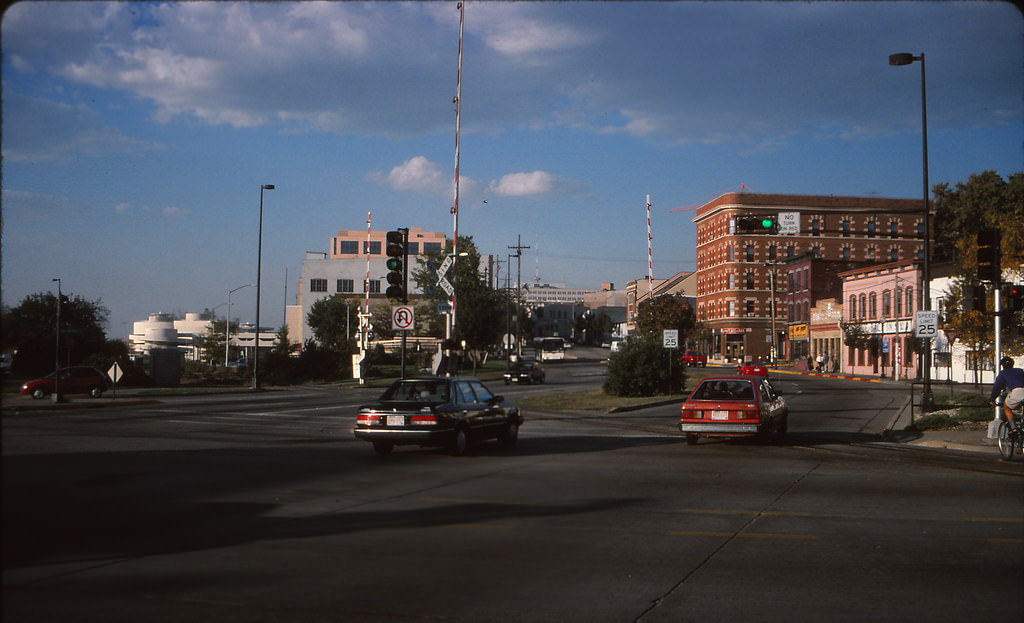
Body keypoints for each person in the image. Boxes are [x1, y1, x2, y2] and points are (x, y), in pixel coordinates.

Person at [988, 356, 1024, 434]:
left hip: (1017, 392)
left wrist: (992, 400)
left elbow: (997, 387)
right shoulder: (1020, 371)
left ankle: (1013, 428)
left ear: (1002, 365)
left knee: (1006, 406)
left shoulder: (1003, 373)